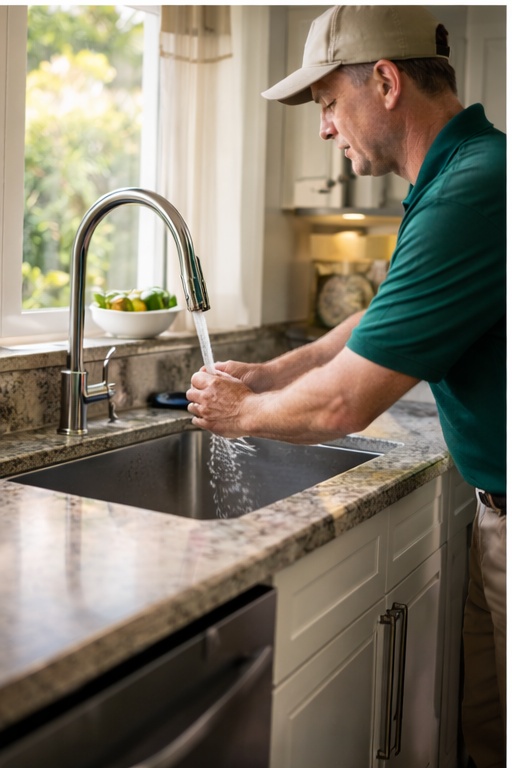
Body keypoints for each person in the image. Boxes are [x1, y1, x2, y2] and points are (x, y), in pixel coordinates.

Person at [186, 7, 506, 766]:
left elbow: (346, 402)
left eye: (329, 103)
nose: (326, 127)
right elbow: (381, 315)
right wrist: (272, 372)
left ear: (386, 82)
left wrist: (243, 412)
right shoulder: (463, 171)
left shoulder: (476, 186)